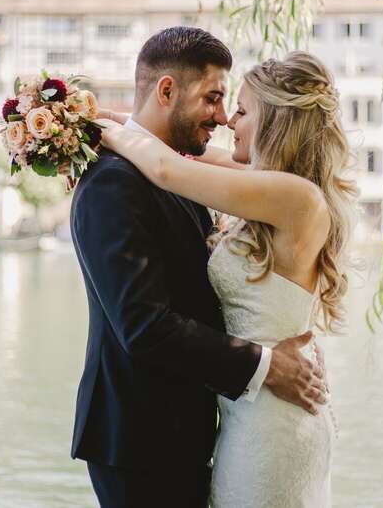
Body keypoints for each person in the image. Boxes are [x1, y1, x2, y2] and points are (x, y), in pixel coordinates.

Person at [70, 28, 331, 507]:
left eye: (238, 108)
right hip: (139, 440)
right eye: (214, 99)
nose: (225, 118)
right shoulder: (114, 182)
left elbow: (172, 167)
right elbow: (145, 326)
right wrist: (269, 361)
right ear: (167, 90)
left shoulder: (223, 181)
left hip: (220, 425)